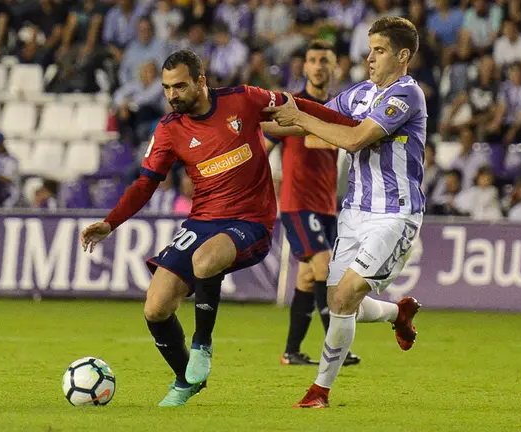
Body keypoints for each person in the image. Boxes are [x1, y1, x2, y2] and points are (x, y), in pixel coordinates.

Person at [79, 50, 359, 407]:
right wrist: (110, 221)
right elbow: (146, 183)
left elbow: (298, 105)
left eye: (179, 86)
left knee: (205, 260)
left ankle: (202, 346)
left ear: (201, 80)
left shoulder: (243, 99)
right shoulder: (169, 129)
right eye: (166, 88)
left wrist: (350, 126)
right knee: (156, 307)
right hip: (203, 220)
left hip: (251, 220)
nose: (172, 95)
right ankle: (185, 380)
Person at [263, 16, 426, 408]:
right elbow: (308, 122)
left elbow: (353, 139)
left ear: (403, 56)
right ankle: (396, 313)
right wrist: (251, 122)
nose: (370, 58)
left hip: (393, 214)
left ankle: (319, 390)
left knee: (343, 297)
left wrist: (300, 116)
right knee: (340, 298)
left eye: (380, 50)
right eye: (369, 50)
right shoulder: (360, 94)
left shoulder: (405, 96)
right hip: (353, 212)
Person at [265, 39, 360, 367]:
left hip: (326, 206)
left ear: (335, 68)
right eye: (312, 60)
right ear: (304, 66)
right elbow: (264, 145)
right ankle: (337, 348)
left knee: (307, 278)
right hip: (297, 203)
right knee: (325, 267)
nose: (318, 66)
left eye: (325, 60)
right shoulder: (293, 106)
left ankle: (291, 352)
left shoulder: (336, 110)